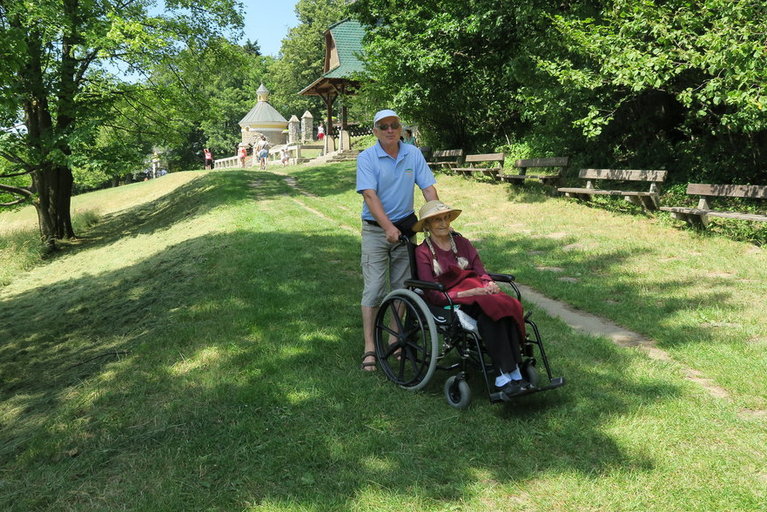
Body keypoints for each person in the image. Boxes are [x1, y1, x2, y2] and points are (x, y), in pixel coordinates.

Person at [413, 200, 532, 397]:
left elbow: (480, 271)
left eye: (445, 218)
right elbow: (433, 293)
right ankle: (506, 375)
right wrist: (468, 294)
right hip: (452, 299)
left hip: (477, 291)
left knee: (506, 307)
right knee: (492, 315)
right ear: (427, 225)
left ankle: (512, 373)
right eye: (436, 220)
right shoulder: (423, 252)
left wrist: (488, 284)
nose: (443, 223)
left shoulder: (462, 243)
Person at [356, 109, 439, 371]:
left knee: (403, 286)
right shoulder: (367, 157)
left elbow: (427, 187)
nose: (390, 130)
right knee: (374, 288)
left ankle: (395, 339)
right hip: (376, 231)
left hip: (405, 228)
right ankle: (370, 346)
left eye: (394, 125)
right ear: (375, 131)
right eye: (384, 126)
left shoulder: (412, 154)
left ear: (400, 128)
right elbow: (369, 195)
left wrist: (437, 217)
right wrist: (387, 227)